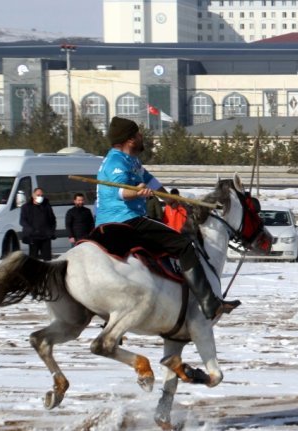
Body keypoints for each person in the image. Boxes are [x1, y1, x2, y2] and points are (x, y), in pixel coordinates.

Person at [96, 116, 239, 320]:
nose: (141, 136)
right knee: (183, 245)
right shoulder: (116, 161)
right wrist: (136, 192)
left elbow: (149, 180)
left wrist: (168, 198)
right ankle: (209, 303)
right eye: (137, 133)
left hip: (124, 218)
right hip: (124, 220)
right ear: (129, 139)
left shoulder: (131, 160)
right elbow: (120, 191)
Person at [20, 187, 57, 261]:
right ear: (33, 195)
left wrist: (51, 231)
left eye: (41, 195)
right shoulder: (26, 207)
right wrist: (31, 230)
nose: (40, 197)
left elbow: (52, 219)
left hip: (45, 236)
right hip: (33, 237)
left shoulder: (46, 206)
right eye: (38, 195)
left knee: (47, 259)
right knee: (33, 259)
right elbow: (22, 221)